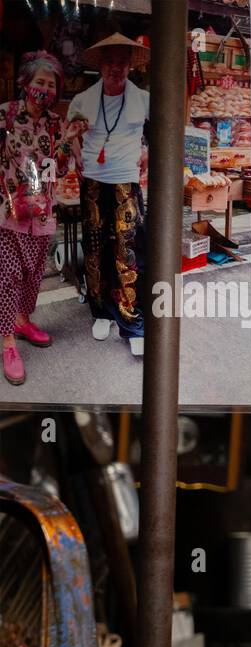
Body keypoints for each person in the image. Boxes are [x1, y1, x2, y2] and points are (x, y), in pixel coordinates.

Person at [66, 33, 150, 357]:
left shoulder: (142, 98)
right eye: (110, 61)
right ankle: (100, 312)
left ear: (130, 65)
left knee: (129, 252)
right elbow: (68, 131)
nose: (116, 67)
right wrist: (76, 150)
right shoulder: (84, 99)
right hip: (93, 183)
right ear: (101, 65)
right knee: (95, 249)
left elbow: (164, 129)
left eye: (122, 61)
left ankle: (132, 321)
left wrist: (149, 153)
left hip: (126, 183)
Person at [0, 51, 74, 386]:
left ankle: (22, 319)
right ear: (26, 83)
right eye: (39, 82)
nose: (44, 89)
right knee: (8, 276)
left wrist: (69, 143)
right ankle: (8, 343)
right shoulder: (5, 115)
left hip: (42, 213)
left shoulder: (56, 123)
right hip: (9, 214)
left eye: (51, 84)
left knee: (32, 276)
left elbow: (59, 167)